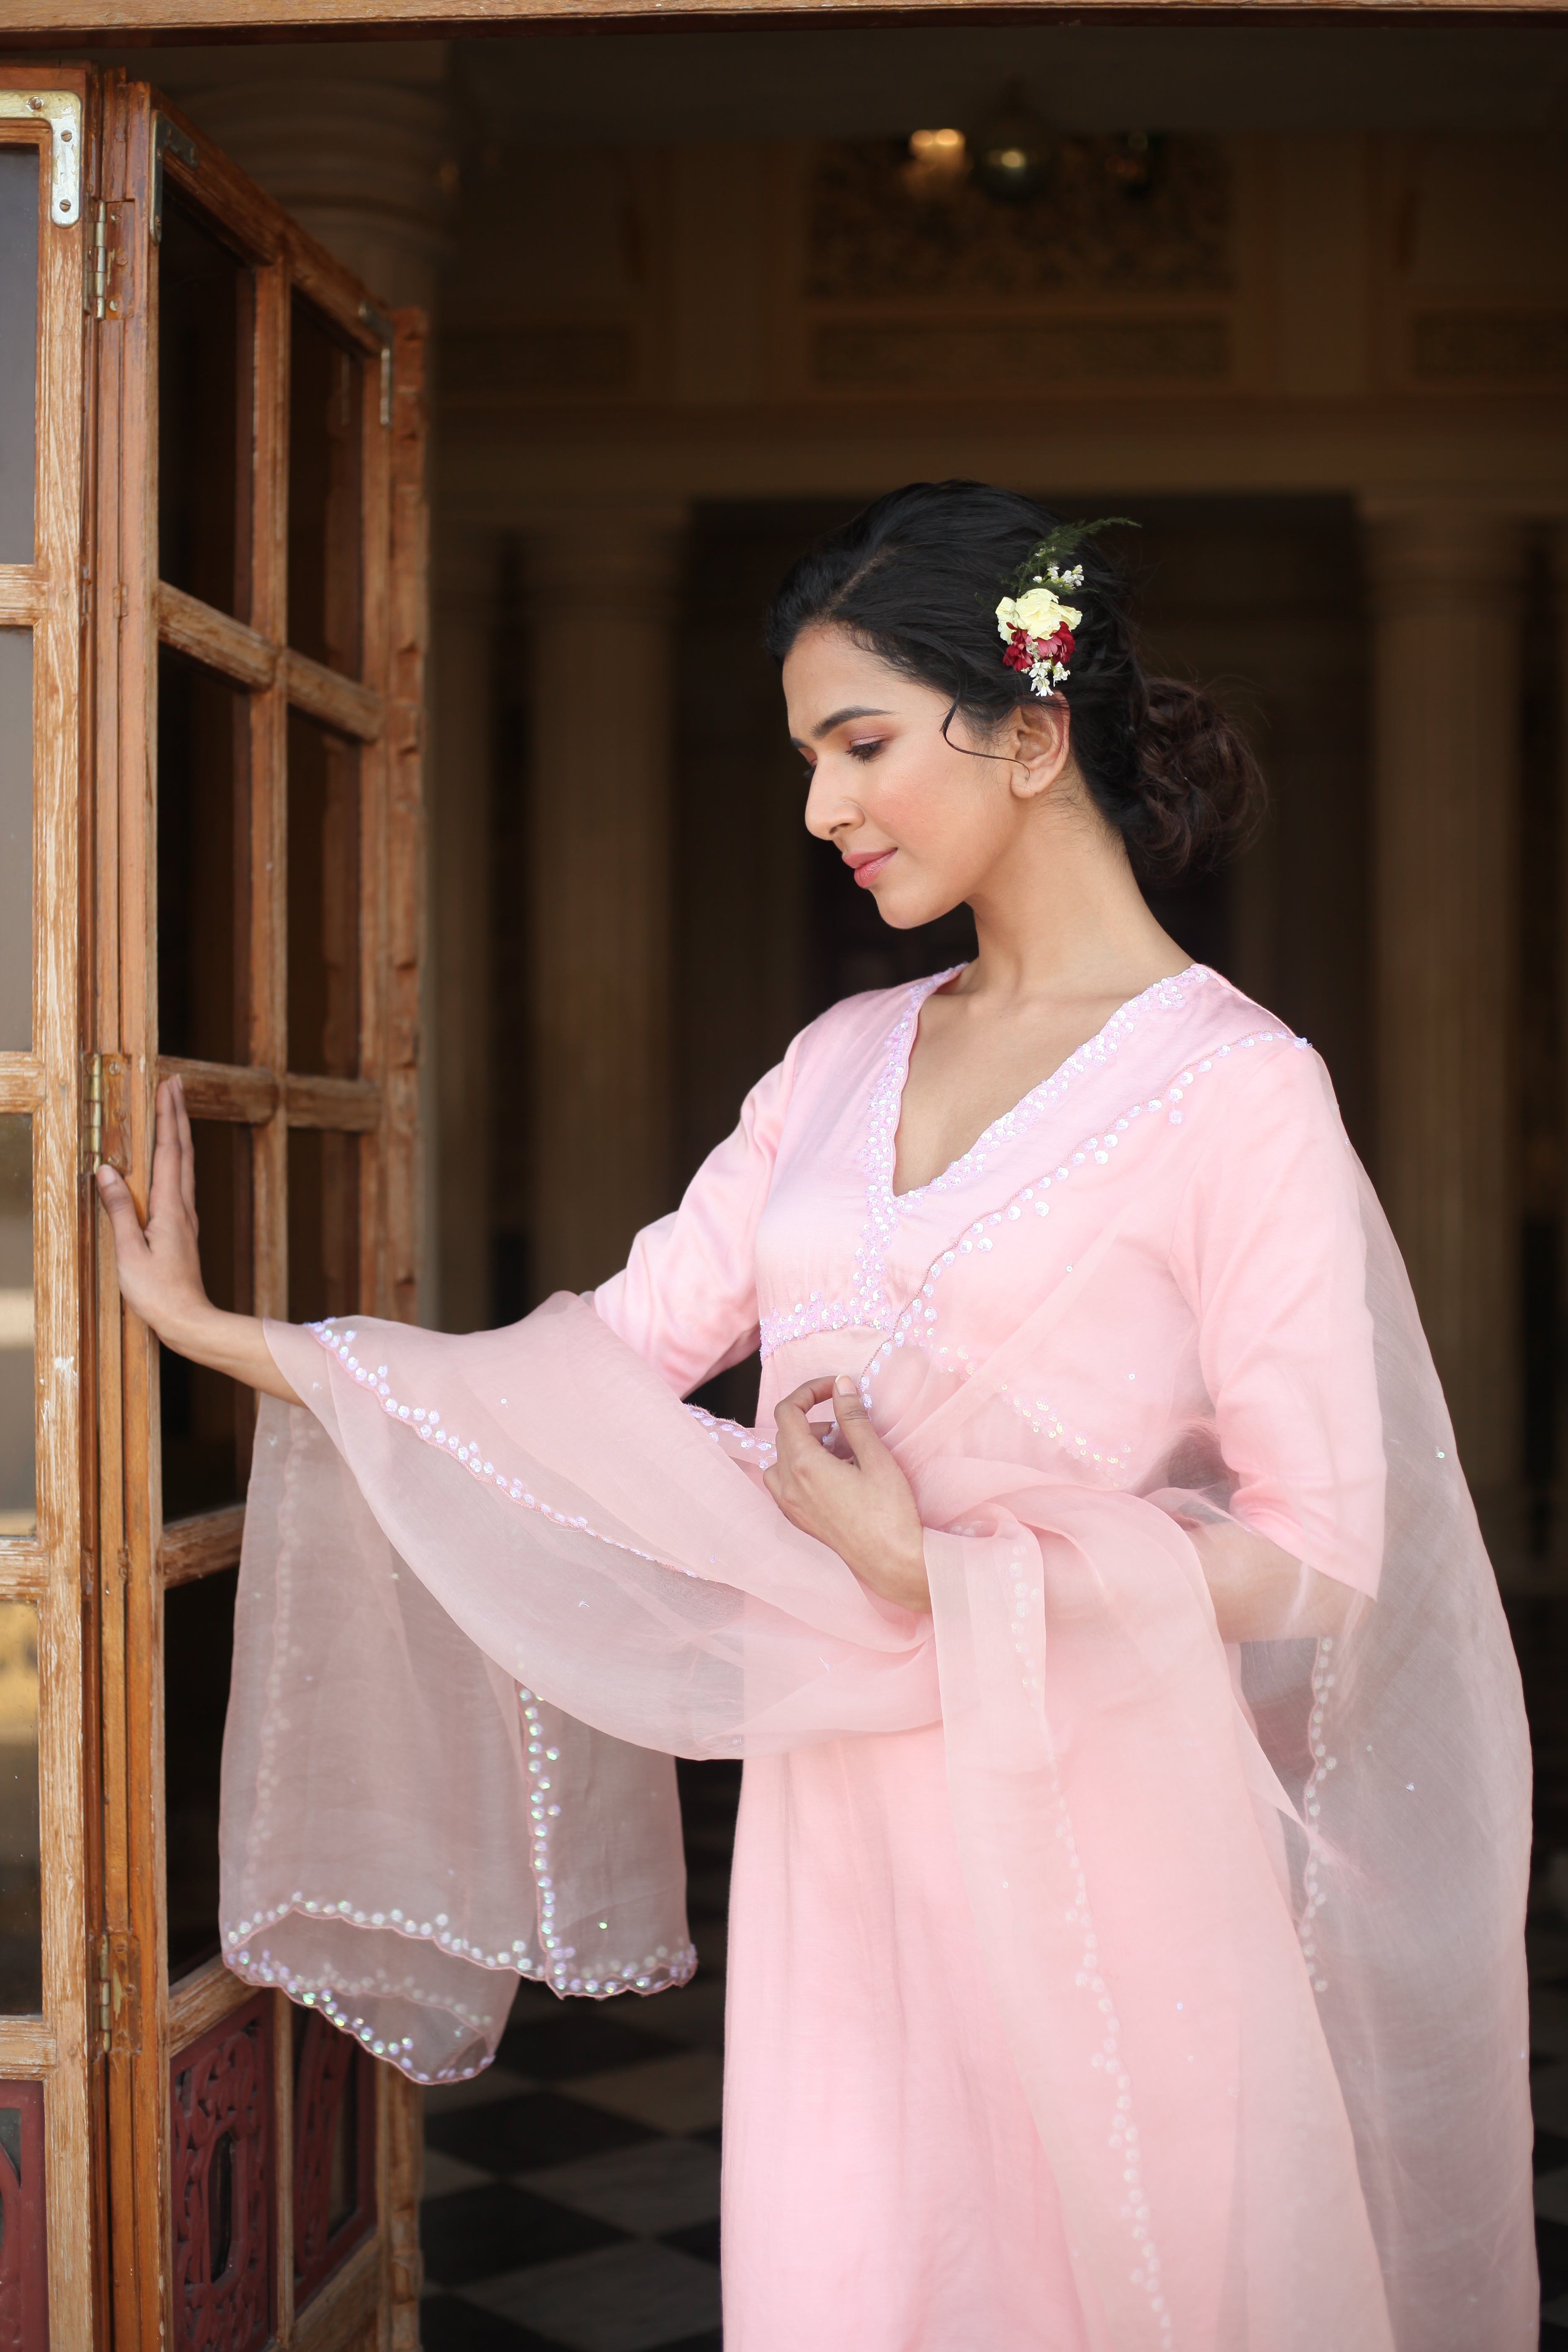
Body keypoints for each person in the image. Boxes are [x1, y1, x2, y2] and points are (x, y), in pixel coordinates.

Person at [98, 482, 1534, 2351]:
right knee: (853, 2280)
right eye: (804, 759)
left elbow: (1322, 1557)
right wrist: (220, 1335)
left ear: (1030, 731)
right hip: (842, 1847)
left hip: (1108, 1845)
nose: (821, 808)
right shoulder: (841, 1058)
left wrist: (948, 1573)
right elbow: (603, 1363)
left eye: (860, 745)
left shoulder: (1240, 1090)